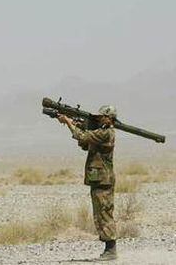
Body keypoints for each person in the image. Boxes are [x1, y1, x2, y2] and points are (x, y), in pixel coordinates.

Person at [57, 105, 118, 261]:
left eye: (102, 116)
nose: (99, 118)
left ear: (109, 118)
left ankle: (111, 250)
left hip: (103, 179)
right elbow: (85, 144)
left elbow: (83, 137)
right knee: (100, 213)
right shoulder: (101, 132)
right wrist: (77, 126)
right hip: (98, 178)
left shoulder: (106, 132)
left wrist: (69, 123)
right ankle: (108, 248)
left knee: (104, 213)